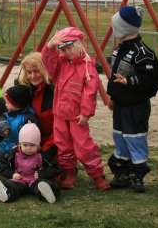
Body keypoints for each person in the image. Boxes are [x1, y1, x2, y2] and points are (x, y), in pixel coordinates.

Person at [42, 26, 110, 191]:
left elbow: (90, 92)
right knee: (63, 144)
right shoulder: (61, 64)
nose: (66, 52)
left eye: (69, 48)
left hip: (77, 116)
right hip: (60, 113)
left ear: (79, 45)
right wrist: (49, 46)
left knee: (83, 146)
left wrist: (86, 113)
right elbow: (48, 64)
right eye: (63, 49)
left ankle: (97, 175)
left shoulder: (87, 67)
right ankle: (69, 172)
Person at [106, 6, 158, 192]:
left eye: (115, 25)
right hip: (120, 104)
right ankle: (122, 173)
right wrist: (112, 96)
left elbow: (151, 81)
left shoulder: (143, 53)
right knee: (120, 137)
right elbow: (115, 75)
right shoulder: (118, 50)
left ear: (123, 28)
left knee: (135, 138)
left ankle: (138, 175)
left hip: (136, 106)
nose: (113, 29)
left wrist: (129, 81)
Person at [0, 123, 61, 204]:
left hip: (35, 181)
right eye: (25, 145)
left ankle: (48, 193)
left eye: (32, 145)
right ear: (20, 144)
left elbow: (55, 168)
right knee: (11, 186)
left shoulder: (42, 156)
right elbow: (3, 167)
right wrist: (12, 174)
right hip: (19, 179)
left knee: (43, 185)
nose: (28, 148)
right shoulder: (13, 155)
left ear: (38, 146)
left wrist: (42, 173)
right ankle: (5, 193)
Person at [16, 52, 58, 181]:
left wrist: (45, 148)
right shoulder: (25, 91)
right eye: (29, 72)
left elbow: (59, 126)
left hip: (53, 140)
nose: (32, 76)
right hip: (31, 140)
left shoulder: (54, 91)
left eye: (36, 71)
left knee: (49, 165)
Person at [0, 85, 36, 180]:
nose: (5, 104)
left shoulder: (28, 117)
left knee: (13, 158)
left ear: (16, 104)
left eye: (8, 102)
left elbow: (32, 132)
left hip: (20, 146)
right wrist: (4, 128)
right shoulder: (6, 115)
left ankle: (9, 174)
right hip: (6, 142)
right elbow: (1, 121)